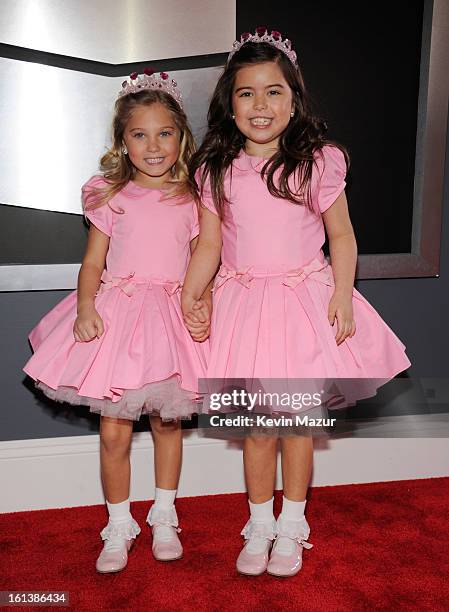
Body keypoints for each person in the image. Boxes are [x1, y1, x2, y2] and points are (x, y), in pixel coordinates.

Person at [181, 28, 411, 578]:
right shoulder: (214, 169)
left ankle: (292, 523)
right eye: (246, 93)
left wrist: (342, 293)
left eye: (273, 91)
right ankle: (259, 523)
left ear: (294, 98)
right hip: (244, 309)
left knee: (297, 425)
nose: (261, 105)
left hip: (301, 305)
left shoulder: (319, 161)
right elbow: (210, 243)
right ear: (229, 104)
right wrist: (193, 291)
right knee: (256, 426)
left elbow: (344, 237)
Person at [24, 69, 210, 574]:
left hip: (170, 319)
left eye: (165, 133)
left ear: (181, 137)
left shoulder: (194, 197)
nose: (154, 145)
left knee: (168, 423)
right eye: (140, 134)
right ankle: (118, 523)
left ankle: (165, 515)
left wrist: (202, 304)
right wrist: (86, 307)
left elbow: (202, 261)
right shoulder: (109, 195)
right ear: (123, 142)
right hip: (119, 317)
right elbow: (92, 262)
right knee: (113, 433)